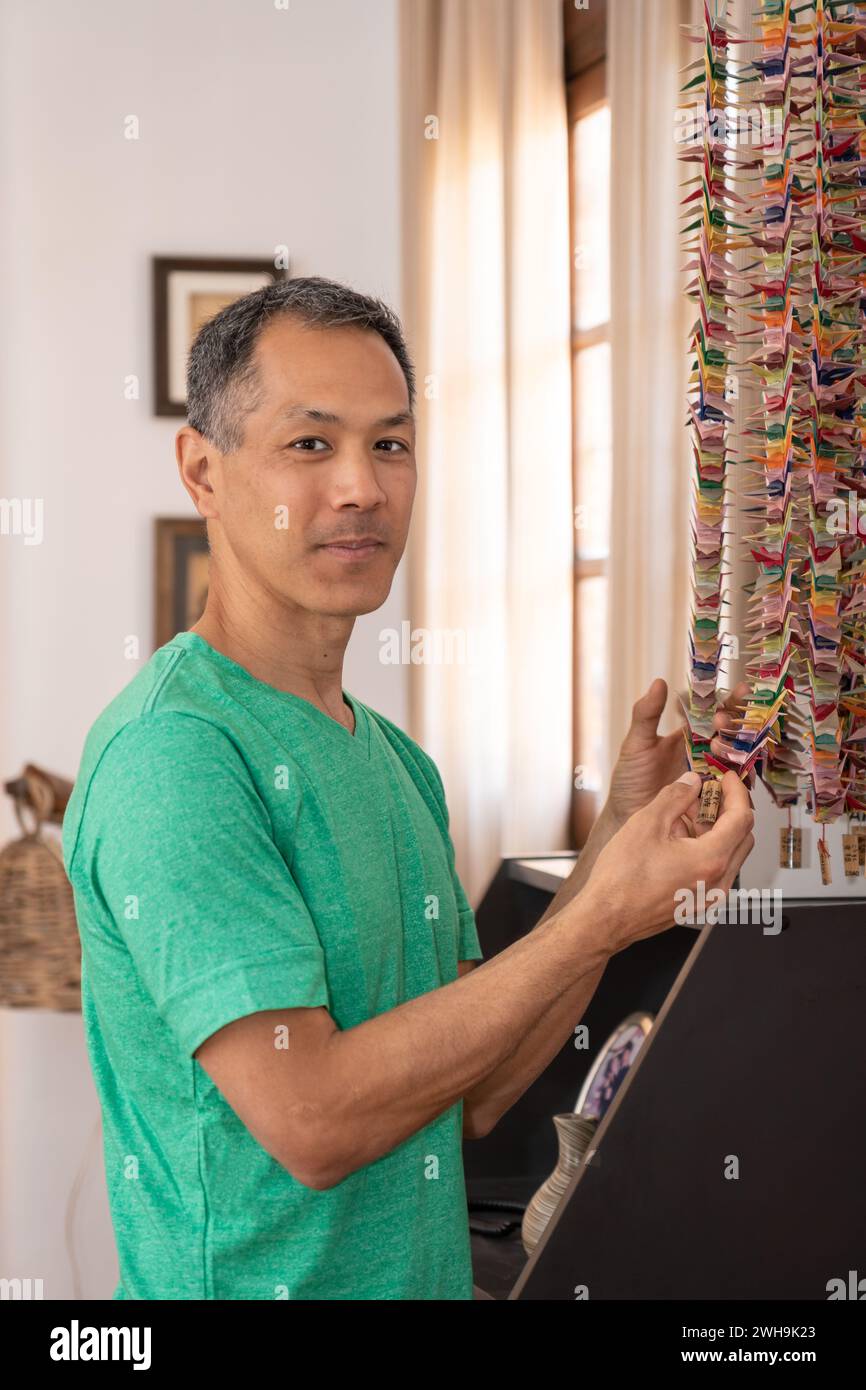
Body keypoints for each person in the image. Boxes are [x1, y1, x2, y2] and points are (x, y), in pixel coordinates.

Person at [62, 276, 754, 1301]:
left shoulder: (393, 761)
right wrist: (599, 913)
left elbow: (466, 1095)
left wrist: (612, 838)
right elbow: (312, 1119)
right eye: (311, 444)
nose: (360, 487)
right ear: (202, 471)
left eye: (390, 443)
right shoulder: (176, 756)